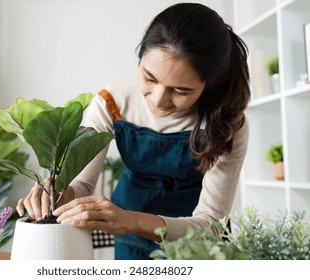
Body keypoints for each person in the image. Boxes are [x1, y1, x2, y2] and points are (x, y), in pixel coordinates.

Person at [16, 2, 251, 260]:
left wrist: (131, 220)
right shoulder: (112, 103)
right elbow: (82, 183)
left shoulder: (227, 124)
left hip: (197, 245)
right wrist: (58, 194)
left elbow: (211, 225)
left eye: (180, 91)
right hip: (130, 238)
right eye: (149, 78)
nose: (159, 100)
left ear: (210, 86)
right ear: (140, 57)